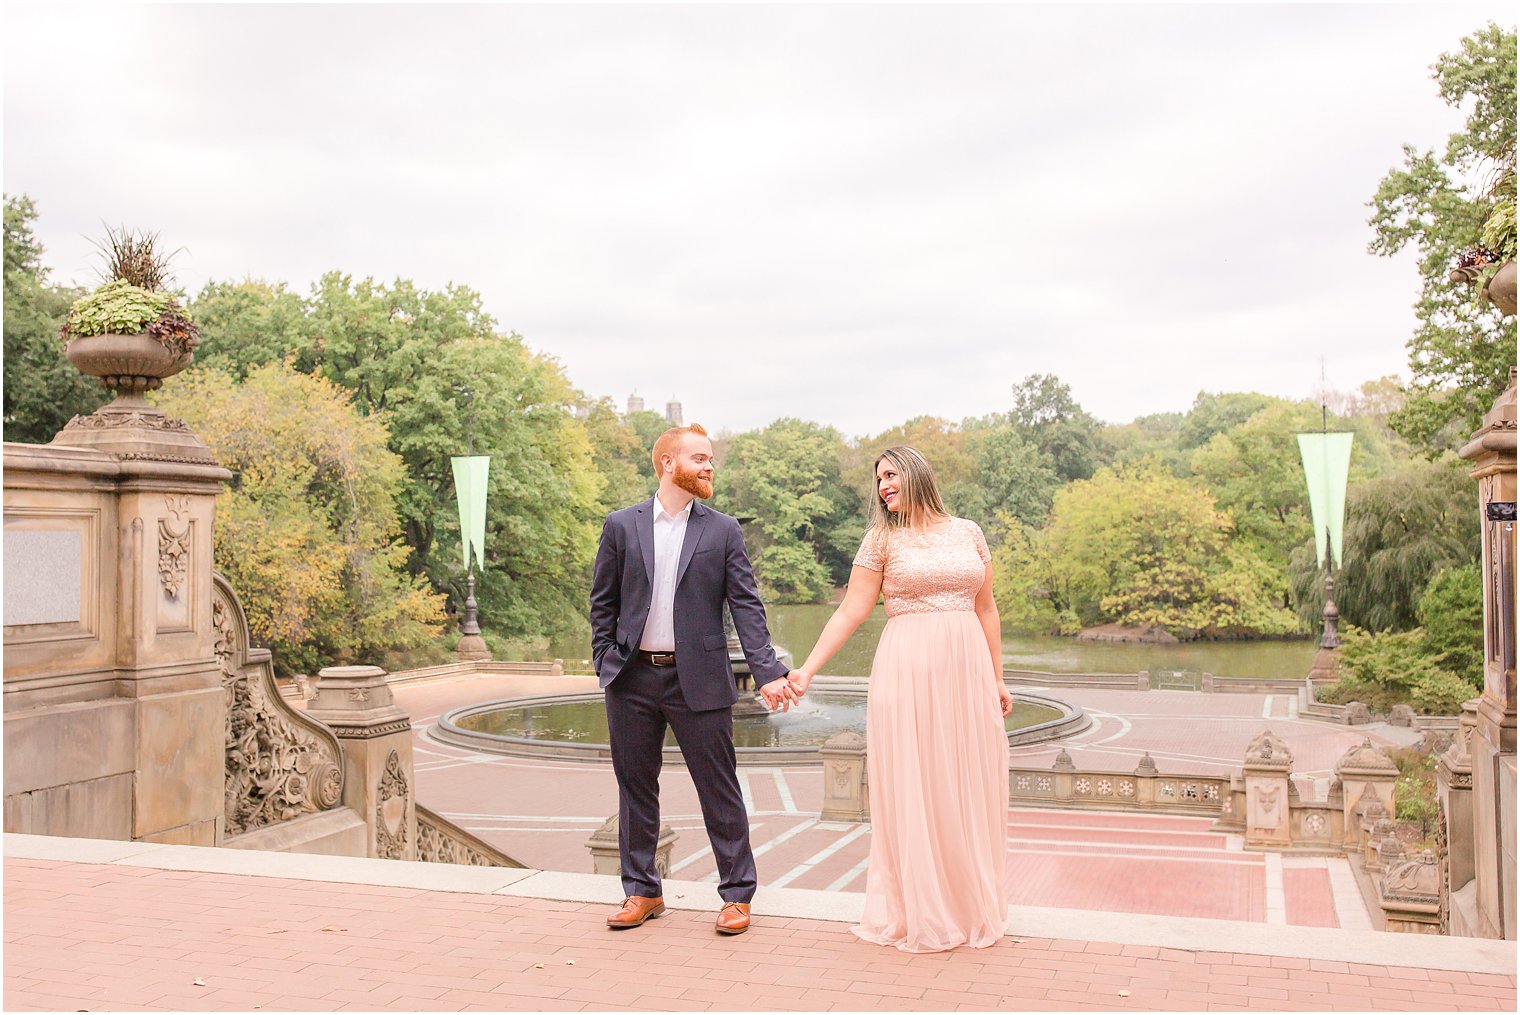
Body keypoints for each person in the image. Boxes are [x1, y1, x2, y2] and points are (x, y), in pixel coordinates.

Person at [789, 445, 1013, 952]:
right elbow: (850, 611)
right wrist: (806, 669)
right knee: (918, 783)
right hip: (907, 668)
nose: (883, 485)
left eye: (891, 474)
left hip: (967, 670)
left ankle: (968, 904)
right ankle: (920, 910)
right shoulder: (881, 540)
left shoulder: (969, 532)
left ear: (917, 473)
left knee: (965, 782)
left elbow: (988, 608)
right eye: (878, 479)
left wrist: (998, 678)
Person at [590, 422, 799, 936]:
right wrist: (605, 660)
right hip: (632, 678)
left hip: (700, 678)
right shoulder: (621, 525)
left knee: (719, 788)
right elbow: (603, 602)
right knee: (635, 787)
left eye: (710, 460)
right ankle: (642, 891)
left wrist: (768, 671)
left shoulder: (723, 529)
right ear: (668, 463)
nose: (709, 467)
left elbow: (746, 606)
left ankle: (737, 895)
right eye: (700, 458)